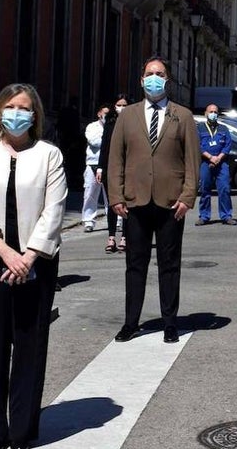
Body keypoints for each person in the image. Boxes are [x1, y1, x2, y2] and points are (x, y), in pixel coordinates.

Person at [0, 83, 66, 449]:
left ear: (34, 115)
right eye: (10, 107)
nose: (17, 114)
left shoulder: (49, 155)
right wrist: (5, 251)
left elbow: (53, 212)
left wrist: (28, 256)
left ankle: (22, 429)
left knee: (29, 342)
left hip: (35, 261)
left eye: (24, 108)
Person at [106, 57, 198, 344]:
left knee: (169, 264)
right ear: (141, 80)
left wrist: (187, 196)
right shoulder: (127, 115)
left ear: (167, 80)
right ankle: (131, 322)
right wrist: (116, 196)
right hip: (135, 201)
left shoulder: (181, 115)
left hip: (171, 202)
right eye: (149, 74)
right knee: (135, 263)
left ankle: (170, 323)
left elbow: (193, 160)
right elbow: (115, 158)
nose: (154, 78)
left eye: (159, 74)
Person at [96, 95, 128, 253]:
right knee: (112, 203)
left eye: (124, 105)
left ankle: (124, 237)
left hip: (128, 168)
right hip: (110, 167)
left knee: (127, 203)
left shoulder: (133, 122)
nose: (121, 107)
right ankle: (111, 237)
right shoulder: (110, 122)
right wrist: (100, 168)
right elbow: (104, 146)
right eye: (119, 105)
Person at [196, 103, 235, 226]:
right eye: (211, 112)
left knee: (224, 189)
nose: (213, 114)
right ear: (206, 114)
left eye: (215, 112)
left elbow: (227, 145)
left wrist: (218, 158)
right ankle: (204, 216)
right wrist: (210, 157)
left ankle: (226, 216)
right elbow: (198, 145)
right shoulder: (200, 128)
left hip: (221, 163)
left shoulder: (223, 128)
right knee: (204, 189)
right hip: (205, 162)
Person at [81, 106, 108, 232]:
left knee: (110, 195)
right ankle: (88, 221)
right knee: (90, 193)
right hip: (93, 163)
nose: (106, 116)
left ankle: (116, 220)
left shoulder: (115, 125)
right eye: (104, 113)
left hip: (108, 163)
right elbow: (94, 141)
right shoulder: (91, 127)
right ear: (99, 114)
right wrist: (108, 139)